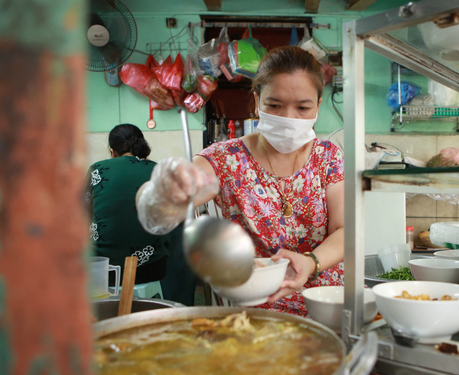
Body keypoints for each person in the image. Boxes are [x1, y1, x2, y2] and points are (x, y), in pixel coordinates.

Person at [136, 46, 344, 315]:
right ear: (257, 101)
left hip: (327, 302)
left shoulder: (328, 157)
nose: (288, 118)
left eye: (302, 107)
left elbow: (344, 231)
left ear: (318, 104)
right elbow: (169, 196)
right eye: (274, 105)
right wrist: (162, 193)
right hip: (259, 306)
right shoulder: (226, 159)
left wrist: (311, 262)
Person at [87, 124, 170, 288]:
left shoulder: (97, 169)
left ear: (112, 151)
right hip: (151, 268)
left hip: (103, 269)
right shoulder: (158, 170)